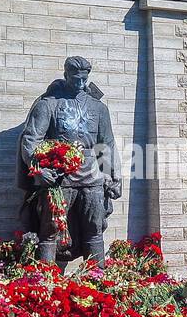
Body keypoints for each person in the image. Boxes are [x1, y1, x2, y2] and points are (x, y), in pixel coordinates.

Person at [16, 56, 121, 264]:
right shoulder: (48, 105)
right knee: (50, 230)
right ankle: (45, 279)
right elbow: (31, 140)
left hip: (92, 177)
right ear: (66, 75)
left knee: (94, 229)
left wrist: (112, 176)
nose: (80, 84)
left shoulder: (99, 108)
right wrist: (39, 169)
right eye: (75, 79)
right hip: (59, 178)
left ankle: (97, 277)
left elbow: (105, 144)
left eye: (84, 79)